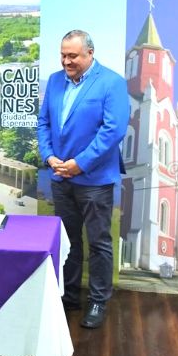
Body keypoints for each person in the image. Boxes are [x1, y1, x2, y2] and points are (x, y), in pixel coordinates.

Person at [37, 30, 129, 329]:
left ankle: (98, 301)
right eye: (63, 55)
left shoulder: (112, 83)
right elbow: (44, 123)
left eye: (73, 56)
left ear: (90, 53)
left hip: (94, 180)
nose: (66, 61)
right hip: (60, 176)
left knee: (99, 243)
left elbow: (113, 131)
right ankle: (69, 295)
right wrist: (49, 157)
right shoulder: (54, 81)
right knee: (69, 240)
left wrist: (80, 164)